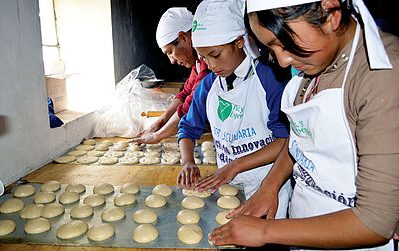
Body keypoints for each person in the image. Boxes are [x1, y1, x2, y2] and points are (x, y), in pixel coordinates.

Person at [208, 0, 399, 250]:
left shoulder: (381, 76)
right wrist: (271, 185)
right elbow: (302, 138)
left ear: (330, 14)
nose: (283, 60)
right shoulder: (318, 59)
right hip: (303, 231)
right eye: (271, 48)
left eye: (284, 43)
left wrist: (266, 231)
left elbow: (374, 222)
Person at [176, 0, 292, 218]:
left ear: (239, 41)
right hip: (229, 189)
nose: (210, 65)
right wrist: (188, 161)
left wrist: (235, 165)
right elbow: (188, 128)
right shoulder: (208, 86)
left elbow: (285, 140)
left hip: (267, 186)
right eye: (203, 57)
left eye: (215, 55)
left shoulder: (269, 79)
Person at [130, 7, 210, 144]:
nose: (172, 60)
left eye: (170, 52)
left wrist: (157, 136)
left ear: (183, 37)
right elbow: (185, 93)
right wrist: (159, 123)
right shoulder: (198, 61)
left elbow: (190, 105)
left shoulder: (209, 61)